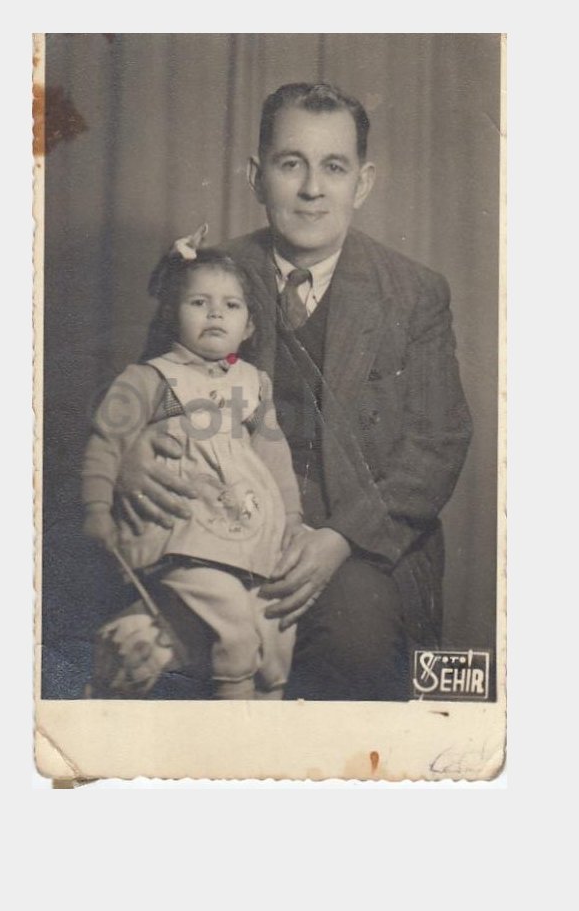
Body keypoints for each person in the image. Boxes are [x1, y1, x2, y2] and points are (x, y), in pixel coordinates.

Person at [115, 82, 473, 700]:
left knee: (355, 642)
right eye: (291, 165)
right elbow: (149, 408)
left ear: (362, 183)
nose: (312, 189)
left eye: (333, 167)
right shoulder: (206, 278)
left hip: (356, 545)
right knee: (162, 657)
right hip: (217, 530)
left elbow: (438, 444)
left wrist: (339, 539)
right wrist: (148, 463)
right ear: (257, 177)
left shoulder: (414, 293)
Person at [81, 242, 304, 699]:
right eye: (199, 302)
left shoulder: (253, 383)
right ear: (172, 314)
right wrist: (97, 509)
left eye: (231, 305)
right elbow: (106, 443)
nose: (215, 314)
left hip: (245, 529)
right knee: (232, 627)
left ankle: (267, 706)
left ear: (249, 325)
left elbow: (273, 455)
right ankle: (230, 701)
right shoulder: (149, 378)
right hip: (184, 532)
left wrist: (292, 520)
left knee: (274, 632)